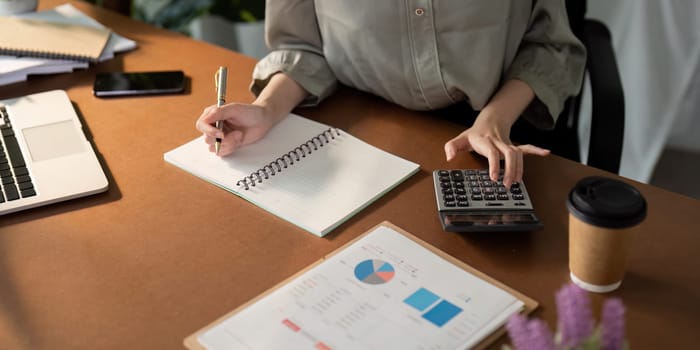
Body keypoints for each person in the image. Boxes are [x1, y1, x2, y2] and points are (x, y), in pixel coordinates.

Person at [196, 1, 586, 188]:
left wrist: (495, 118)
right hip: (354, 125)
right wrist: (266, 110)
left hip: (489, 131)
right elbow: (304, 48)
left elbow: (550, 47)